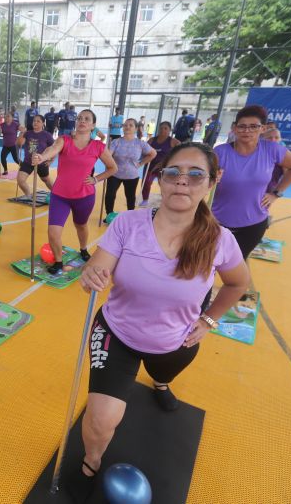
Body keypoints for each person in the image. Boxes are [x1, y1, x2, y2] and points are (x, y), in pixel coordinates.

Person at [77, 142, 249, 479]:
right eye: (174, 172)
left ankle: (160, 382)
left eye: (195, 174)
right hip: (117, 333)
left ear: (211, 182)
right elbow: (98, 267)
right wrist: (91, 274)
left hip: (175, 342)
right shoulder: (128, 223)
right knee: (100, 420)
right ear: (161, 179)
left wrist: (209, 319)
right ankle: (93, 460)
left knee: (164, 374)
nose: (182, 181)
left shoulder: (220, 240)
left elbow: (238, 285)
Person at [212, 105, 291, 259]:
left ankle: (239, 283)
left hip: (253, 223)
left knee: (239, 262)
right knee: (208, 264)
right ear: (234, 128)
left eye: (253, 126)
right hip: (217, 222)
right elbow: (202, 180)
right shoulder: (220, 152)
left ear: (263, 129)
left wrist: (276, 193)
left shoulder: (272, 149)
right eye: (242, 126)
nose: (247, 131)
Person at [32, 110, 117, 274]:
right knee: (53, 231)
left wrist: (96, 179)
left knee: (81, 225)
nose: (82, 121)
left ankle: (83, 248)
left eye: (87, 119)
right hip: (60, 196)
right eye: (79, 118)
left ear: (93, 125)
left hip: (84, 196)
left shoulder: (98, 146)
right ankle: (58, 261)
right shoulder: (65, 140)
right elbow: (53, 148)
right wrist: (42, 157)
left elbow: (113, 168)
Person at [104, 118, 156, 221]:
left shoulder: (140, 143)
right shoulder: (116, 142)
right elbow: (108, 155)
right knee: (110, 195)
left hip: (132, 175)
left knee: (130, 197)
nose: (127, 127)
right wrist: (109, 162)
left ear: (136, 128)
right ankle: (109, 215)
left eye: (131, 125)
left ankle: (131, 216)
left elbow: (153, 153)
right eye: (125, 125)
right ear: (122, 128)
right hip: (115, 174)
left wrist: (141, 163)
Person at [140, 121, 181, 206]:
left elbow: (181, 152)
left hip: (165, 167)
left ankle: (167, 199)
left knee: (166, 184)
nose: (163, 130)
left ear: (170, 130)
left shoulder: (173, 141)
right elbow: (144, 151)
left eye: (165, 128)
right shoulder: (152, 140)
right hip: (150, 166)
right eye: (161, 128)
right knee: (146, 183)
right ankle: (145, 199)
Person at [15, 115, 54, 197]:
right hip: (28, 161)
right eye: (34, 121)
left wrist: (51, 160)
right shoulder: (28, 133)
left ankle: (57, 194)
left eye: (38, 121)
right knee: (20, 180)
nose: (35, 122)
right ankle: (28, 196)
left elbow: (54, 148)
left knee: (45, 179)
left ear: (43, 123)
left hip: (41, 162)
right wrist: (22, 132)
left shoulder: (47, 135)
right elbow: (19, 143)